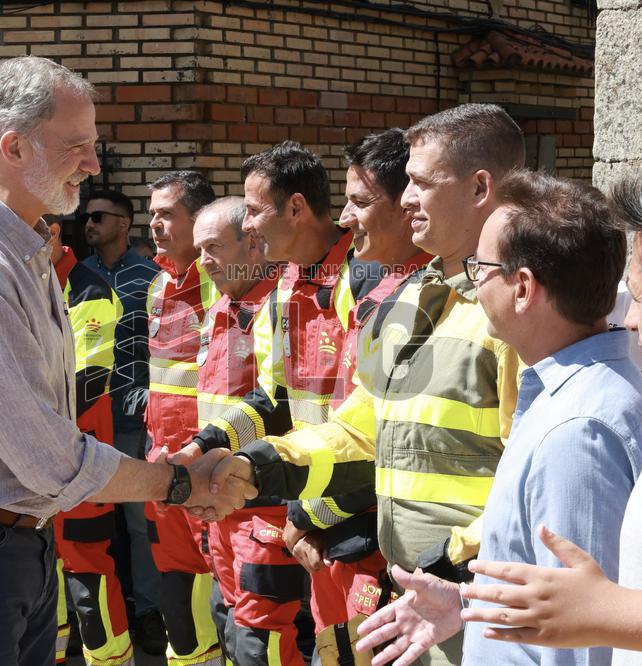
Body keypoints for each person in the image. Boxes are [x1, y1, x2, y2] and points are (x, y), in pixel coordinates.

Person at [0, 56, 253, 666]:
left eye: (93, 146)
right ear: (13, 147)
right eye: (77, 145)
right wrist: (177, 482)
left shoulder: (19, 251)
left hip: (2, 543)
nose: (94, 164)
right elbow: (47, 454)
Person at [208, 104, 526, 665]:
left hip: (474, 602)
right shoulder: (410, 298)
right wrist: (256, 467)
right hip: (416, 591)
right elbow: (361, 431)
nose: (406, 201)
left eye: (422, 184)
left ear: (480, 188)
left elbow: (532, 487)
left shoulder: (518, 310)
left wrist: (445, 563)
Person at [354, 170, 642, 666]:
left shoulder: (577, 432)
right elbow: (550, 597)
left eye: (480, 266)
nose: (474, 282)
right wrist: (465, 603)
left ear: (523, 288)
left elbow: (583, 644)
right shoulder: (567, 393)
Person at [455, 166, 642, 666]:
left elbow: (590, 635)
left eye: (637, 297)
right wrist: (474, 605)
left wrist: (611, 612)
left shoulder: (583, 428)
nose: (630, 319)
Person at [279, 130, 432, 666]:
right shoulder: (367, 286)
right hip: (334, 535)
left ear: (410, 203)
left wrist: (308, 512)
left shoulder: (434, 304)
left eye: (362, 203)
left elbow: (391, 441)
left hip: (385, 546)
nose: (345, 218)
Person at [184, 196, 303, 665]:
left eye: (213, 247)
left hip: (262, 504)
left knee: (261, 640)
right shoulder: (223, 306)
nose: (203, 262)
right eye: (199, 250)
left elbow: (281, 407)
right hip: (218, 502)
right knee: (230, 626)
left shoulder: (282, 309)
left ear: (253, 245)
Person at [139, 170, 225, 666]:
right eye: (152, 213)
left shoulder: (222, 286)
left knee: (224, 593)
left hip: (208, 462)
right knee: (175, 590)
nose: (154, 223)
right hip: (163, 465)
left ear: (199, 220)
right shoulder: (158, 283)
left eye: (166, 214)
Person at [81, 189, 166, 655]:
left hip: (132, 415)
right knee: (90, 521)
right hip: (86, 418)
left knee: (139, 521)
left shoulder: (148, 276)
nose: (89, 223)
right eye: (86, 217)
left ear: (124, 222)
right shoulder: (78, 276)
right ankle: (93, 614)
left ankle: (148, 610)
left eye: (99, 216)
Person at [46, 217, 132, 666]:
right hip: (37, 457)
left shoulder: (88, 288)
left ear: (54, 232)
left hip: (81, 457)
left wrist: (30, 423)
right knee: (45, 572)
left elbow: (91, 376)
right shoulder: (23, 283)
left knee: (87, 571)